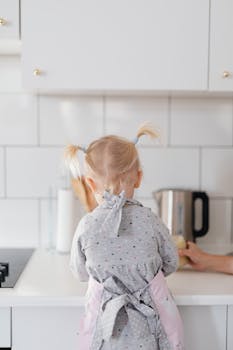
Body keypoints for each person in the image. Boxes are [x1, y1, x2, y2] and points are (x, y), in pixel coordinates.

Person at [65, 124, 184, 350]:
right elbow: (171, 263)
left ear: (90, 184)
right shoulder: (151, 220)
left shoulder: (86, 225)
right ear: (138, 178)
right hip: (154, 323)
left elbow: (80, 272)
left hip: (104, 327)